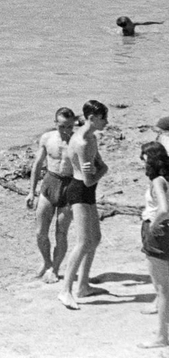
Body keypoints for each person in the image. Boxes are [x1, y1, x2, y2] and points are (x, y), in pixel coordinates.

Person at [57, 100, 109, 309]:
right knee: (83, 241)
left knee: (95, 238)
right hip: (79, 191)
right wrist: (103, 171)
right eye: (103, 118)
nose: (106, 122)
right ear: (91, 118)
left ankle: (84, 285)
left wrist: (100, 170)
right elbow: (91, 177)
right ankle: (65, 290)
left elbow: (98, 166)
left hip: (87, 190)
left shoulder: (92, 138)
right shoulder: (83, 143)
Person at [28, 108, 78, 283]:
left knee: (61, 233)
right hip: (50, 182)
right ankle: (47, 263)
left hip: (70, 186)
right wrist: (31, 192)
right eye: (62, 126)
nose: (66, 130)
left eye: (69, 126)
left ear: (74, 124)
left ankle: (55, 268)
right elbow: (37, 164)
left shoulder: (79, 141)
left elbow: (92, 165)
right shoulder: (47, 138)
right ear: (55, 123)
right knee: (40, 231)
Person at [139, 142, 169, 350]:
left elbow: (164, 209)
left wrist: (153, 226)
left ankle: (161, 335)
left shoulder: (158, 181)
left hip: (158, 232)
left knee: (161, 289)